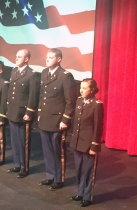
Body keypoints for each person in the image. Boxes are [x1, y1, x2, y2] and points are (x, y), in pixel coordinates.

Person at [38, 48, 77, 190]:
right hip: (45, 118)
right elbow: (42, 96)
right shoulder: (44, 73)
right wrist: (40, 113)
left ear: (59, 59)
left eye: (51, 57)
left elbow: (70, 101)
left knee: (57, 150)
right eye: (47, 57)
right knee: (47, 150)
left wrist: (65, 120)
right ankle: (50, 176)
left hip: (57, 120)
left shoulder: (65, 76)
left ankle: (59, 178)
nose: (47, 59)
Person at [69, 78, 103, 207]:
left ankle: (87, 196)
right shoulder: (79, 101)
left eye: (84, 88)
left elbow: (97, 127)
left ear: (92, 90)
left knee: (88, 171)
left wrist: (94, 145)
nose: (81, 90)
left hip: (88, 144)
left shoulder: (96, 105)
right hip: (77, 142)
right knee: (79, 170)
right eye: (80, 87)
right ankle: (80, 193)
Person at [6, 49, 40, 178]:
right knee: (14, 140)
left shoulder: (32, 74)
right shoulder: (14, 71)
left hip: (23, 112)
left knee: (23, 141)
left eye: (19, 57)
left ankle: (24, 167)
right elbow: (11, 91)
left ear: (26, 59)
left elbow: (33, 95)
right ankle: (17, 164)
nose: (16, 58)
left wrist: (29, 112)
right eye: (16, 56)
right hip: (13, 110)